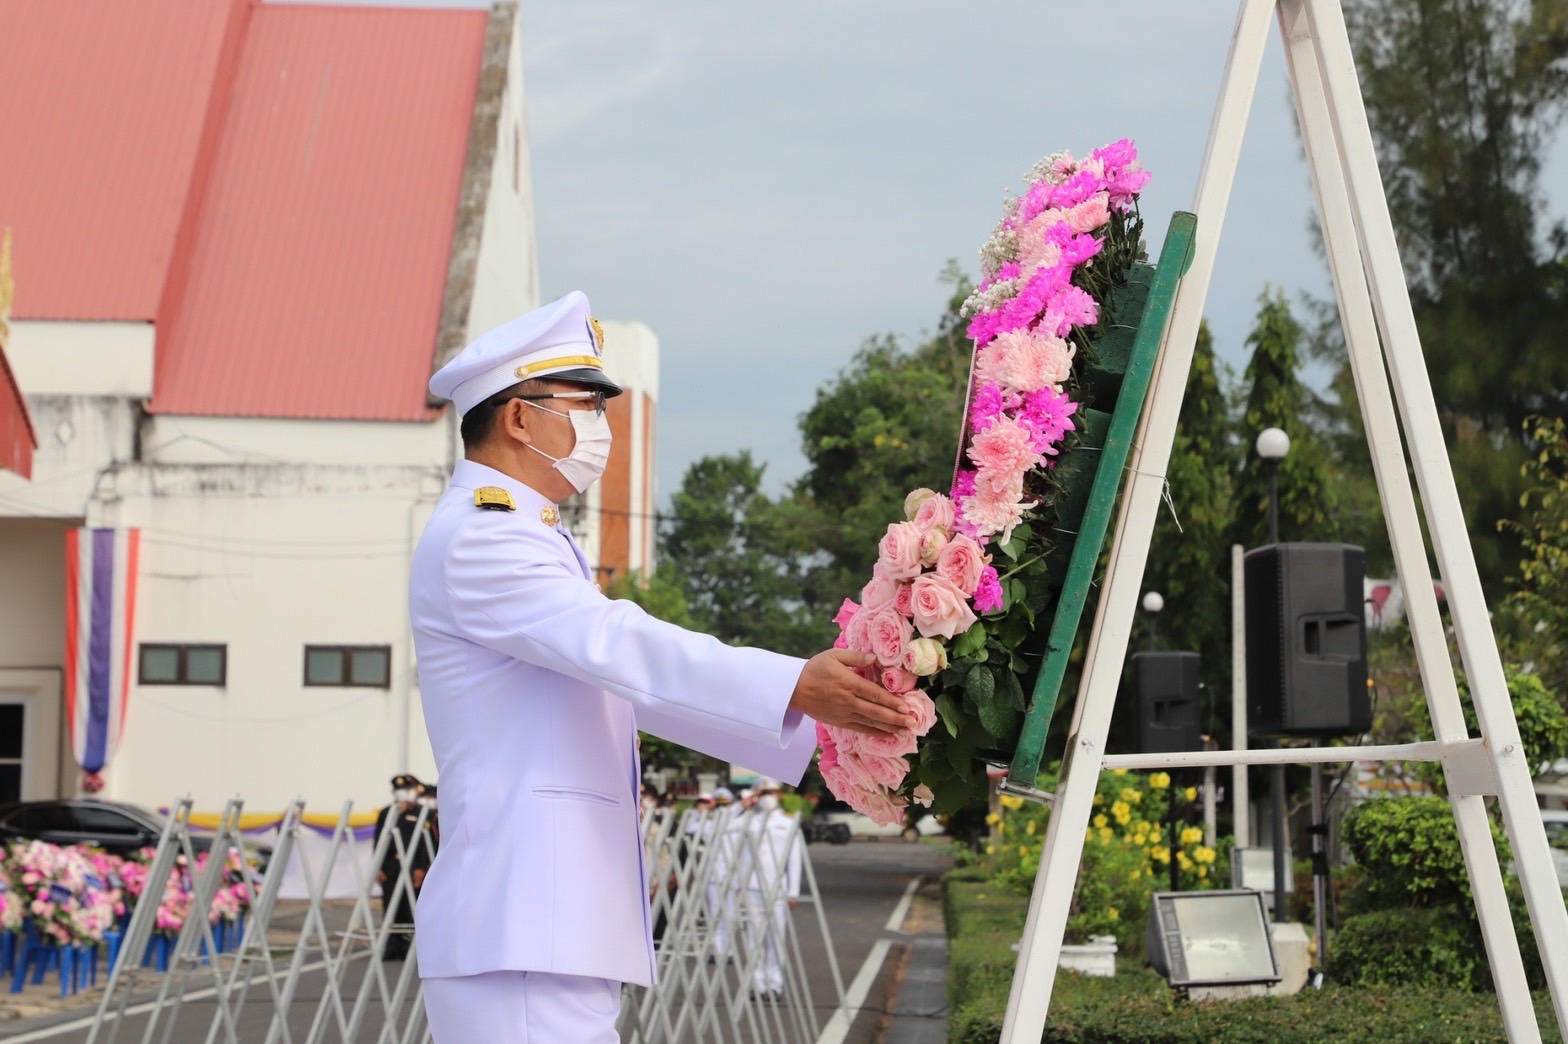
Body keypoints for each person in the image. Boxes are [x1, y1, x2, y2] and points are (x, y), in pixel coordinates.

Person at [410, 291, 914, 1042]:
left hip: (546, 921)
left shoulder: (525, 533)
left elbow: (633, 688)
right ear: (518, 417)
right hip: (524, 922)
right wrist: (793, 684)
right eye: (585, 404)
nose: (599, 426)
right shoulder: (483, 536)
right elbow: (621, 644)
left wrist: (836, 727)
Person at [733, 778, 802, 1001]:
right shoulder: (748, 821)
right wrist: (738, 884)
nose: (767, 798)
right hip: (751, 886)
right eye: (762, 793)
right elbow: (734, 845)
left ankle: (775, 983)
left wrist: (793, 891)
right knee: (754, 938)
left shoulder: (788, 823)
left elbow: (794, 859)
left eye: (770, 793)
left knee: (776, 938)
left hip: (777, 888)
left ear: (778, 795)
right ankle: (758, 984)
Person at [373, 774, 436, 961]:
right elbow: (379, 840)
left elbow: (426, 843)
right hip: (392, 866)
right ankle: (393, 946)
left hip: (413, 866)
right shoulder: (387, 813)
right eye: (399, 790)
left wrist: (422, 867)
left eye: (407, 790)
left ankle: (412, 947)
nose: (403, 793)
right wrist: (379, 866)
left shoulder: (423, 813)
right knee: (391, 906)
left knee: (411, 907)